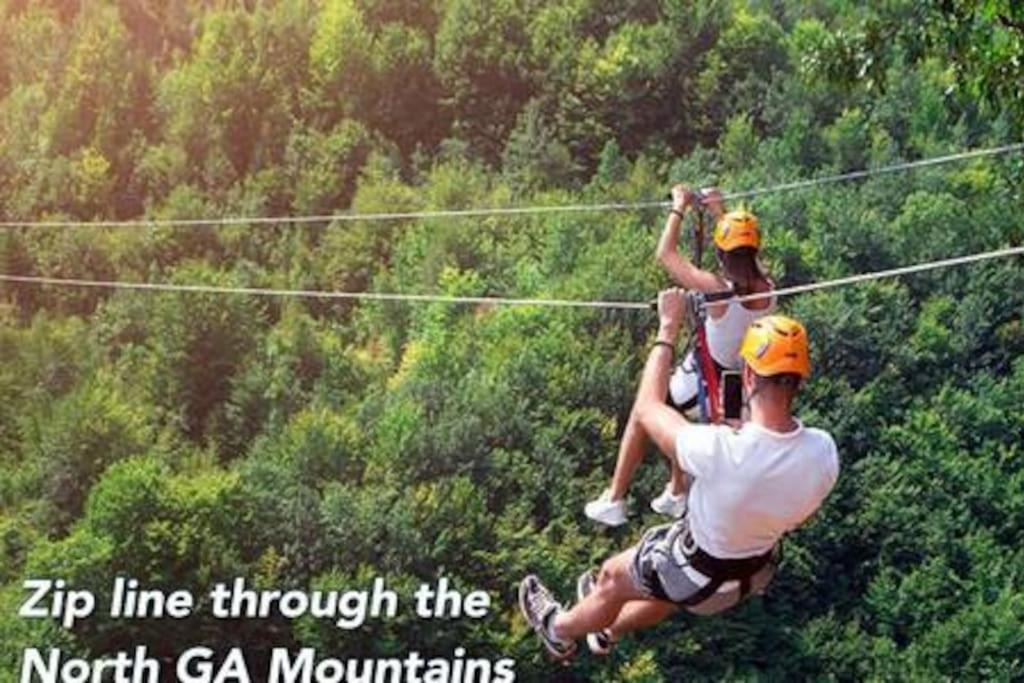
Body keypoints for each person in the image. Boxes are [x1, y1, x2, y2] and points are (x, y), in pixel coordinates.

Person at [521, 289, 839, 661]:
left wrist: (668, 327)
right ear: (800, 379)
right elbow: (799, 509)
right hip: (749, 575)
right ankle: (609, 628)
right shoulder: (823, 451)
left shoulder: (721, 450)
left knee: (611, 577)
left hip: (696, 571)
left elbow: (648, 408)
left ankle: (557, 630)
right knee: (662, 589)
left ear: (749, 374)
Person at [585, 185, 776, 526]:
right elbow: (745, 253)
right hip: (737, 386)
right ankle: (676, 490)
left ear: (721, 254)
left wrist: (678, 208)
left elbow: (666, 255)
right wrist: (720, 211)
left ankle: (615, 497)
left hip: (707, 379)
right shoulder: (770, 287)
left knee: (646, 409)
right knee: (677, 414)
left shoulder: (716, 290)